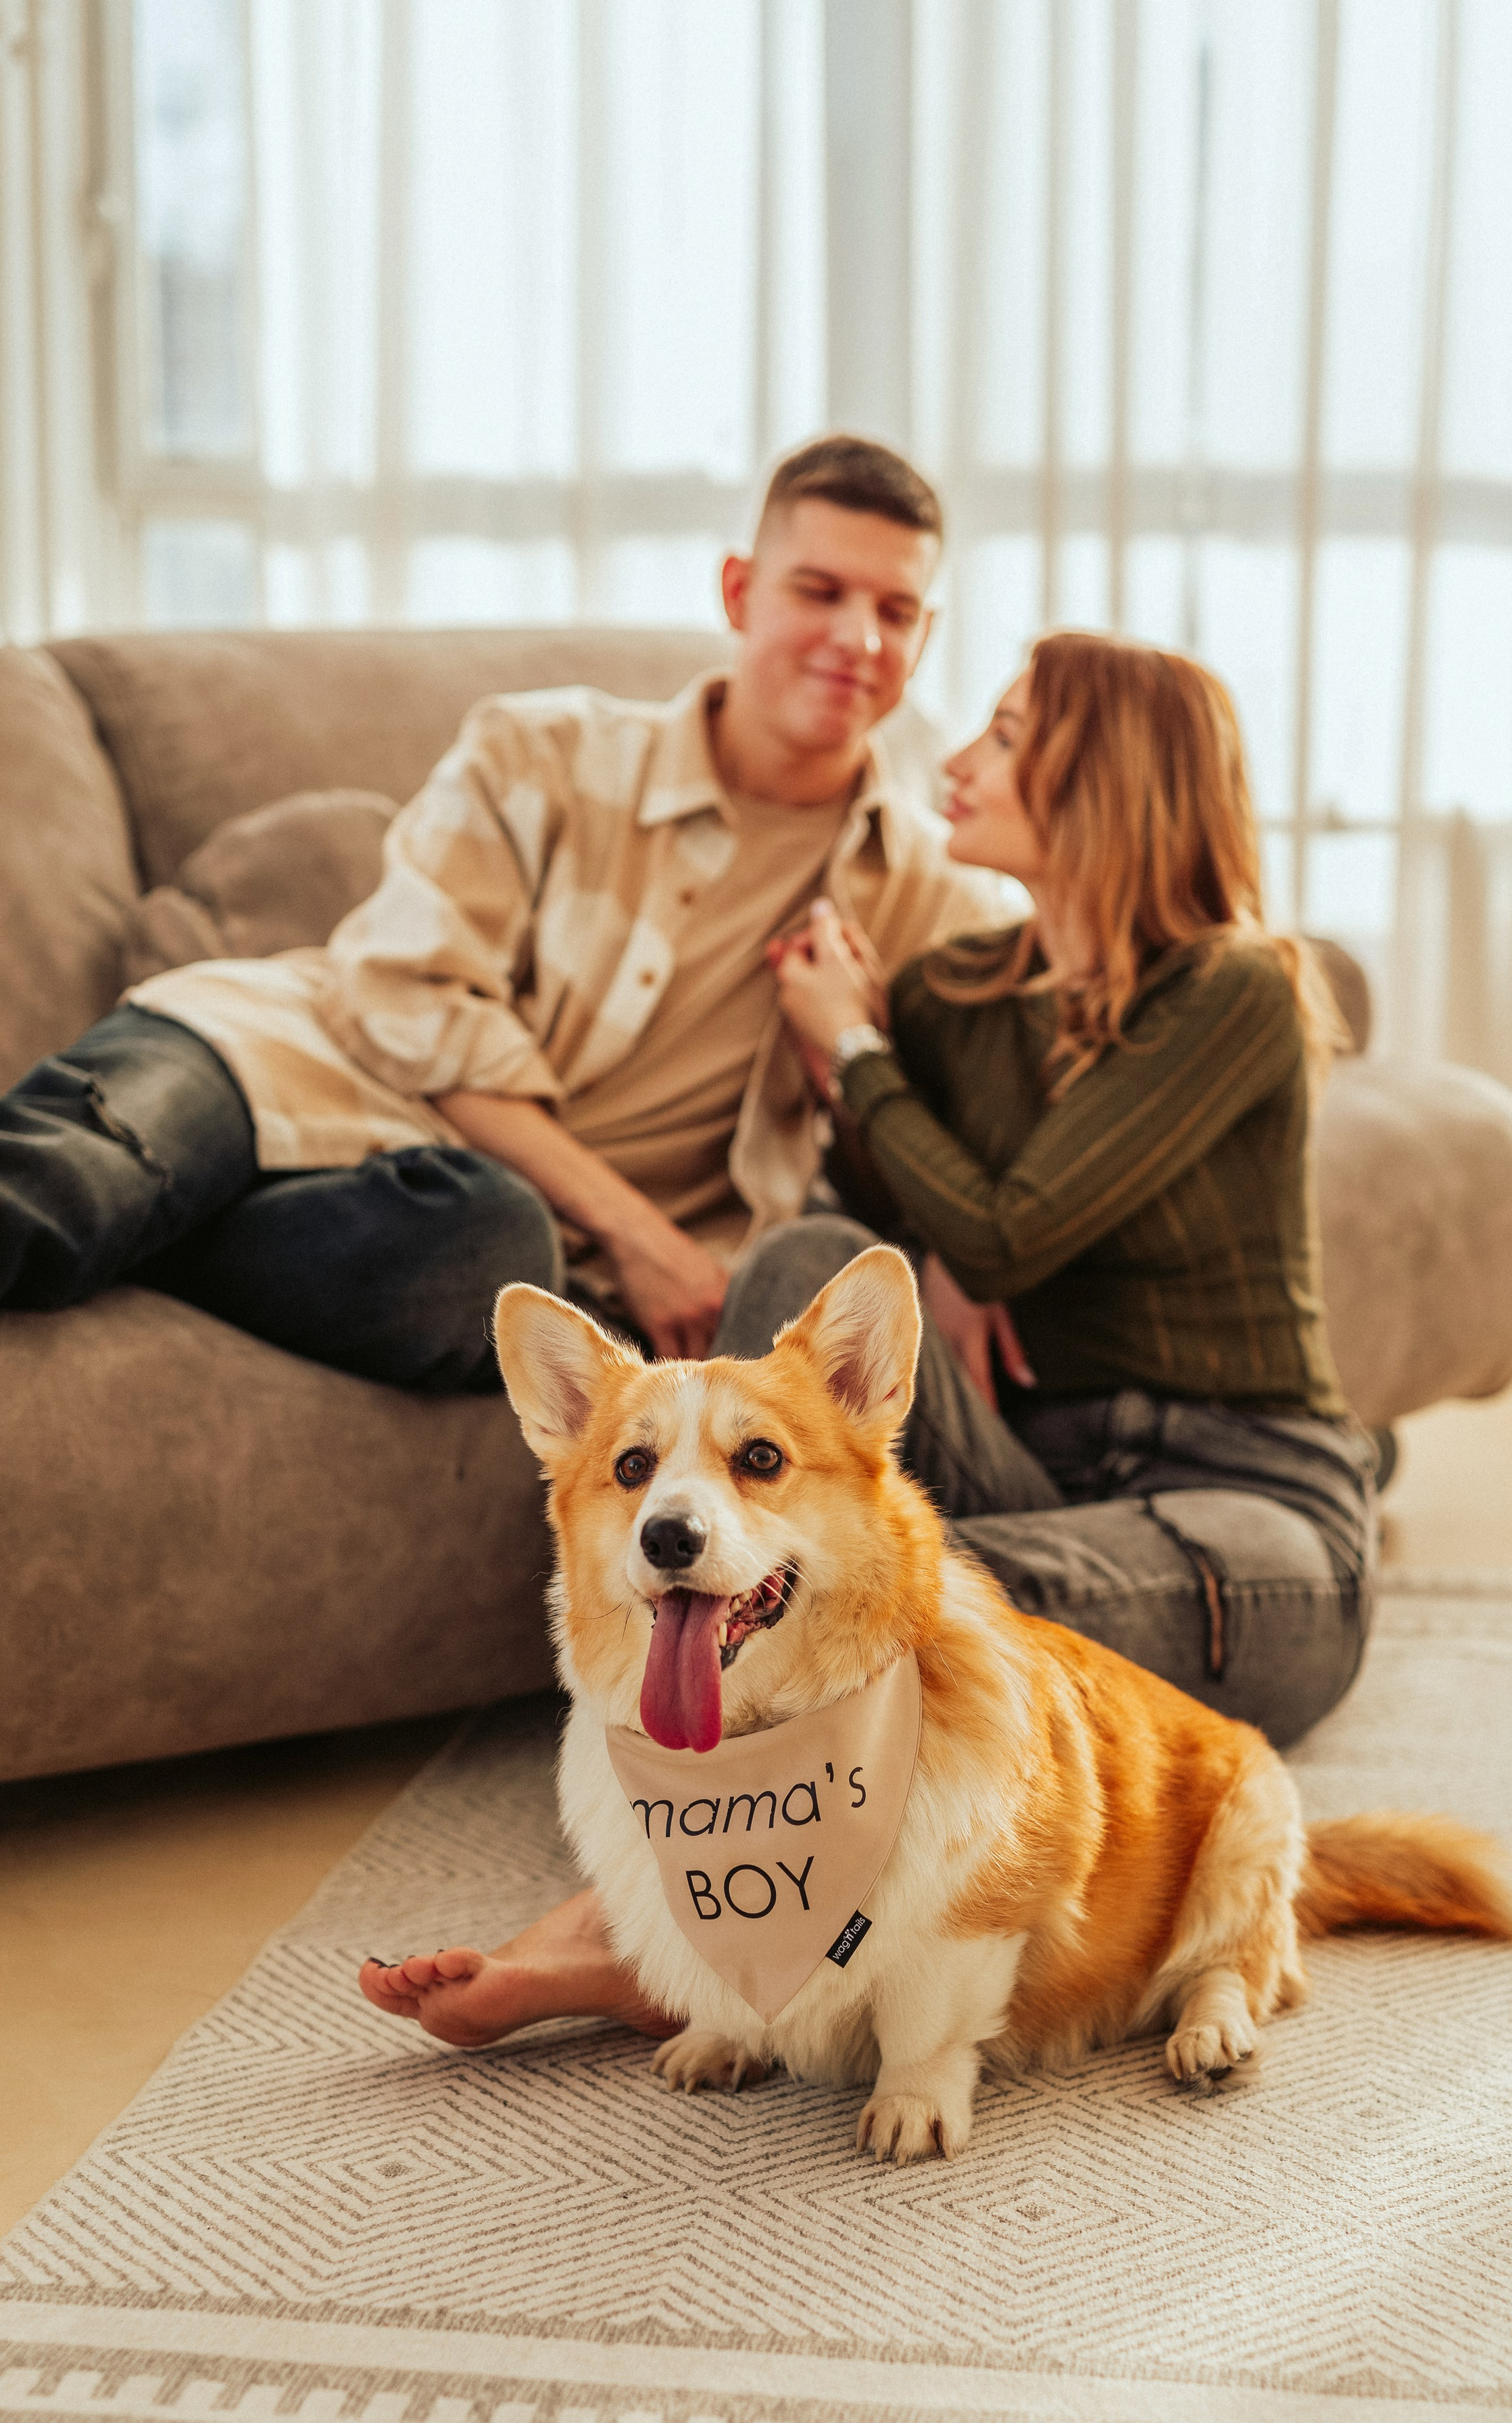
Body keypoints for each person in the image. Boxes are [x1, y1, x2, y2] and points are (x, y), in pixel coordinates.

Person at [358, 630, 1378, 2053]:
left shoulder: (1237, 990)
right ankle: (709, 1908)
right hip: (1047, 1458)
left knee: (920, 1616)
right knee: (800, 1309)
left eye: (1007, 736)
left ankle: (640, 1933)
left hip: (1250, 1506)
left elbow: (1019, 1226)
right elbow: (867, 1230)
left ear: (1108, 780)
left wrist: (851, 1048)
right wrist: (929, 1248)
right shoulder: (960, 988)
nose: (955, 758)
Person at [0, 435, 996, 1374]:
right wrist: (637, 1231)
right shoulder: (542, 753)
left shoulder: (924, 900)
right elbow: (405, 993)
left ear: (928, 633)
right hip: (284, 1064)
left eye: (896, 611)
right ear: (739, 592)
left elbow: (965, 1148)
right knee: (68, 1187)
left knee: (490, 1258)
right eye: (819, 590)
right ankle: (139, 1212)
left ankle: (160, 1238)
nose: (858, 639)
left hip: (454, 1207)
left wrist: (865, 1091)